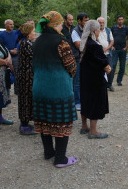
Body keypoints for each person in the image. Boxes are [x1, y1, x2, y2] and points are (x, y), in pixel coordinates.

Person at [33, 11, 78, 168]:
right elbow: (71, 66)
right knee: (61, 121)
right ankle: (60, 159)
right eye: (59, 24)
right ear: (55, 25)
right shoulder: (61, 42)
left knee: (44, 120)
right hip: (58, 89)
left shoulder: (36, 42)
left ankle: (49, 152)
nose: (61, 26)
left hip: (39, 87)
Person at [79, 20, 111, 139]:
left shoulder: (84, 43)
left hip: (85, 78)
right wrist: (107, 67)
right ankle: (93, 131)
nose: (99, 32)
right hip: (95, 79)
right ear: (94, 31)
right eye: (98, 30)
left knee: (85, 100)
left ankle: (84, 126)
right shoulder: (94, 45)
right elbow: (102, 61)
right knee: (95, 102)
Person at [17, 22, 37, 135]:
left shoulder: (27, 42)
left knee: (29, 100)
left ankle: (25, 123)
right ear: (28, 33)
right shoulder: (26, 44)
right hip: (26, 78)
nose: (35, 33)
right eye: (33, 31)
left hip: (28, 76)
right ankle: (24, 126)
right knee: (25, 100)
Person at [71, 12, 89, 111]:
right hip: (78, 59)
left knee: (85, 80)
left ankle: (83, 99)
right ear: (79, 21)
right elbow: (79, 46)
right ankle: (77, 102)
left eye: (87, 20)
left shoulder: (88, 30)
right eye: (85, 20)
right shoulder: (75, 31)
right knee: (77, 82)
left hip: (87, 59)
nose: (87, 22)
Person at [0, 19, 19, 95]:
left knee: (17, 73)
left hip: (16, 57)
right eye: (10, 24)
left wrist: (17, 49)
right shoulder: (1, 35)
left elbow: (19, 42)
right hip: (6, 57)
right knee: (6, 74)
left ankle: (17, 91)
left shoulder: (16, 33)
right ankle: (6, 90)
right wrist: (9, 51)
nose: (12, 26)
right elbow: (1, 46)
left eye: (12, 24)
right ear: (6, 25)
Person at [110, 15, 128, 86]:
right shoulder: (113, 28)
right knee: (113, 65)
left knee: (122, 66)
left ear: (123, 20)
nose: (120, 21)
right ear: (117, 20)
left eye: (122, 19)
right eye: (119, 19)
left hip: (123, 50)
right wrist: (112, 46)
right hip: (114, 50)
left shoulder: (126, 28)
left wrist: (126, 47)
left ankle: (119, 81)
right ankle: (110, 82)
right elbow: (110, 38)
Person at [97, 17, 114, 91]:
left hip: (107, 53)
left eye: (103, 22)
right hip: (98, 54)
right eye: (100, 22)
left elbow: (112, 41)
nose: (101, 24)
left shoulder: (108, 30)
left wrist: (107, 48)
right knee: (100, 70)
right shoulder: (95, 30)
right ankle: (100, 85)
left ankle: (109, 84)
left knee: (110, 69)